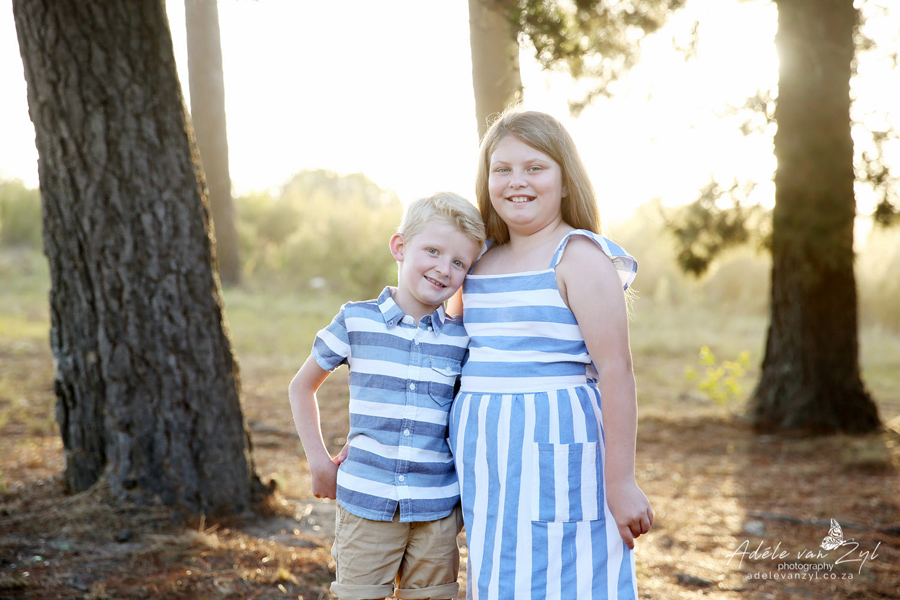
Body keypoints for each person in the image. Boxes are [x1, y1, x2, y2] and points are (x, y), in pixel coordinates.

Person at [447, 109, 653, 600]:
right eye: (502, 169)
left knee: (567, 576)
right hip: (487, 459)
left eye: (535, 167)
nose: (517, 181)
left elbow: (617, 371)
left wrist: (621, 480)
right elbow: (450, 350)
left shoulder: (577, 256)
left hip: (558, 450)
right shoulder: (477, 261)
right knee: (499, 575)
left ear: (564, 182)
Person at [289, 192, 485, 600]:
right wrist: (319, 462)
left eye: (459, 263)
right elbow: (301, 386)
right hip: (366, 502)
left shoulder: (461, 339)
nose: (443, 268)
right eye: (433, 251)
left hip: (436, 510)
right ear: (400, 247)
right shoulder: (356, 320)